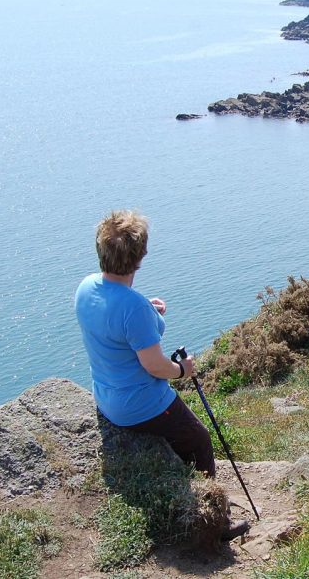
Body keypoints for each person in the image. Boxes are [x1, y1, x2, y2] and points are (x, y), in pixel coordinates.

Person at [75, 210, 249, 540]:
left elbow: (116, 325)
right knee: (198, 440)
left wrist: (145, 310)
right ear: (140, 256)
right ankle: (214, 521)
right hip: (139, 405)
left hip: (106, 398)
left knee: (185, 436)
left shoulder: (86, 288)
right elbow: (155, 367)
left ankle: (184, 486)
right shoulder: (134, 307)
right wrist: (183, 369)